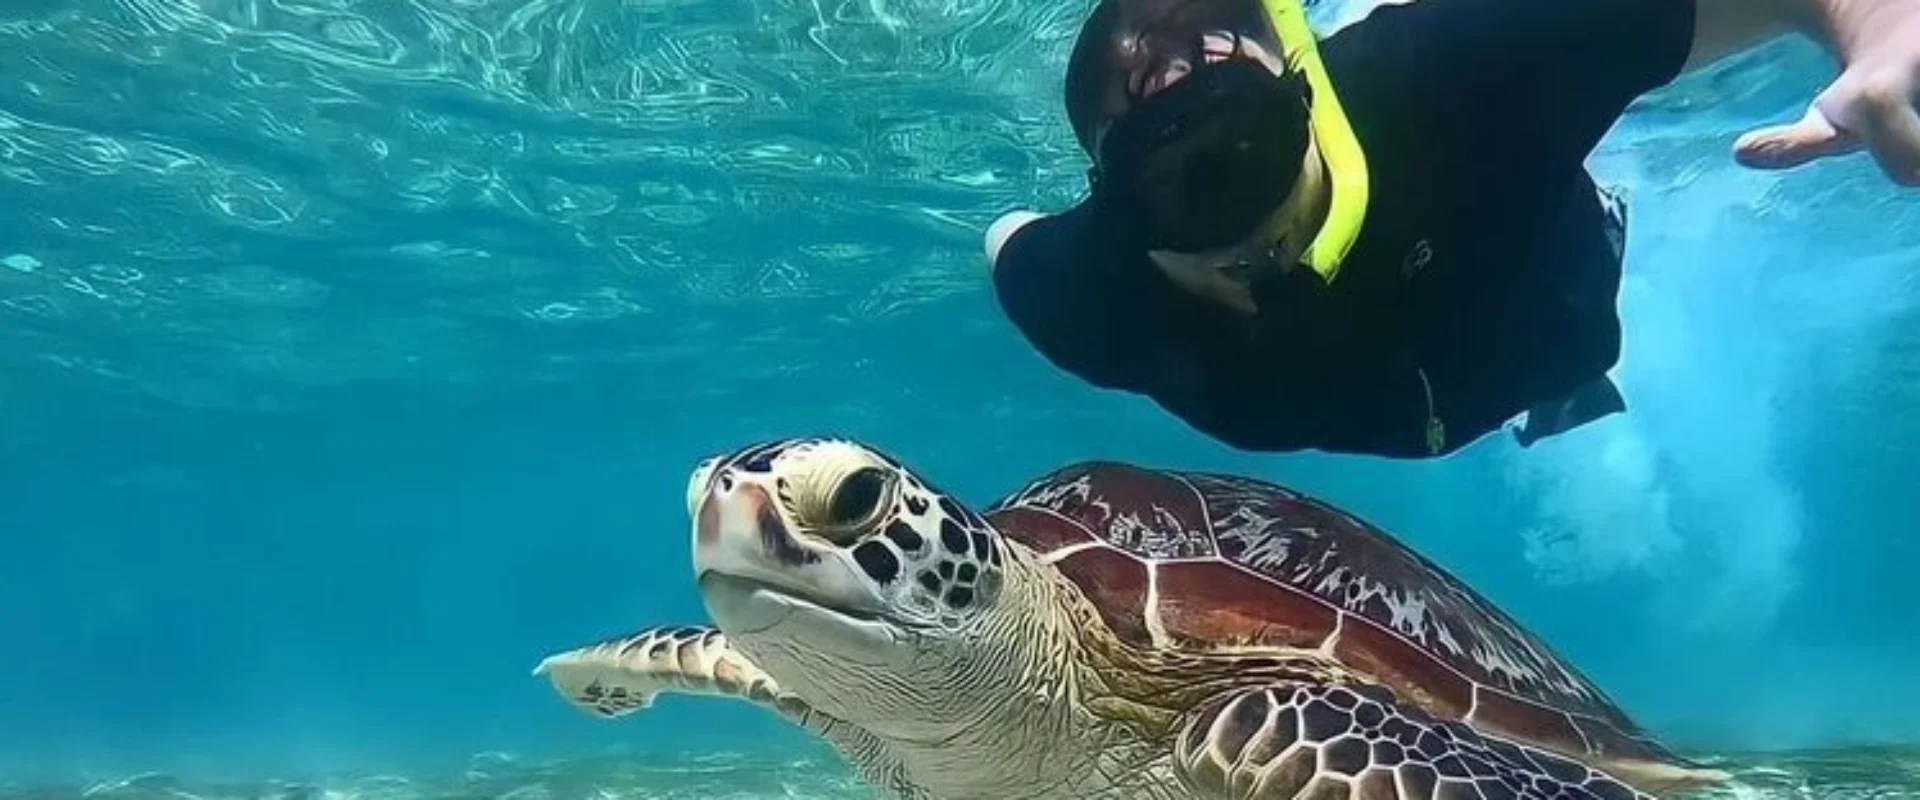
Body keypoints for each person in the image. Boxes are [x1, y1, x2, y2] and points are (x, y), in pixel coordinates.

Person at [983, 0, 1920, 459]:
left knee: (1574, 346)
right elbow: (1007, 241)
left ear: (1304, 100)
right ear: (1112, 207)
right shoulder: (1089, 291)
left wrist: (1876, 30)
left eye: (1249, 143)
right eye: (1173, 184)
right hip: (1400, 400)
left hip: (1547, 294)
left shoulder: (1450, 73)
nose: (1238, 211)